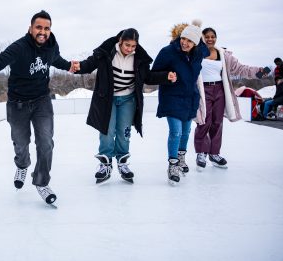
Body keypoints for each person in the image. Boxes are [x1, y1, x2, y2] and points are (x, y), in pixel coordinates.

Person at [0, 10, 76, 206]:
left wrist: (69, 65)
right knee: (21, 142)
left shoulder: (51, 44)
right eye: (39, 28)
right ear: (30, 28)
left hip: (42, 100)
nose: (43, 32)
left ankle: (42, 182)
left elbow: (55, 59)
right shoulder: (20, 47)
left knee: (46, 142)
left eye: (47, 28)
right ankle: (22, 164)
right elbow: (0, 59)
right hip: (17, 103)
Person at [76, 28, 176, 184]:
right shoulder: (107, 53)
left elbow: (147, 77)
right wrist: (78, 67)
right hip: (108, 99)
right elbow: (89, 64)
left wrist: (165, 76)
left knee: (124, 132)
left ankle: (122, 162)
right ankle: (105, 164)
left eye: (133, 46)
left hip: (128, 99)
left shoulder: (139, 59)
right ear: (120, 41)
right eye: (127, 45)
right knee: (107, 131)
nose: (129, 49)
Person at [194, 27, 265, 170]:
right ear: (201, 38)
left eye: (212, 36)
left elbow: (240, 69)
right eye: (206, 36)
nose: (210, 39)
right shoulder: (196, 53)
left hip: (220, 90)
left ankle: (214, 154)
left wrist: (258, 72)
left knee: (217, 122)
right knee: (204, 121)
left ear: (216, 38)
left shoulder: (223, 54)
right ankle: (201, 152)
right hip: (203, 90)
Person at [151, 20, 209, 185]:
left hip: (190, 98)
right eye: (184, 38)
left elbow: (206, 47)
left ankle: (181, 158)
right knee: (175, 132)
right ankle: (173, 165)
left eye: (190, 41)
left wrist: (197, 29)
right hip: (172, 97)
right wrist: (166, 76)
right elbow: (153, 73)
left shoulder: (198, 53)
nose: (185, 43)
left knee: (186, 132)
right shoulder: (168, 52)